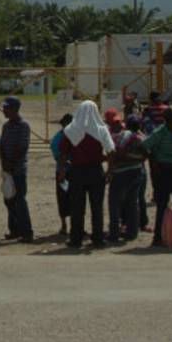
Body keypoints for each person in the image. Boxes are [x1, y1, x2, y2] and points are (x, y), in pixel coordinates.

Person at [59, 100, 114, 249]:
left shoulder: (71, 130)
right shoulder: (101, 129)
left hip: (77, 172)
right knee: (97, 207)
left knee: (77, 207)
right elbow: (111, 151)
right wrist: (109, 171)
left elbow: (63, 153)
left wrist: (63, 171)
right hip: (96, 171)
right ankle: (98, 239)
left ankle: (75, 239)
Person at [142, 107, 172, 246]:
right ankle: (158, 237)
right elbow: (144, 145)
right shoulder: (160, 132)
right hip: (164, 170)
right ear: (169, 122)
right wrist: (154, 160)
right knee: (162, 204)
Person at [0, 96, 33, 244]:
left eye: (7, 108)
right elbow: (1, 145)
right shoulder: (6, 126)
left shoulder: (23, 125)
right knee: (8, 200)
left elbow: (22, 147)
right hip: (7, 170)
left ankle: (27, 232)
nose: (4, 110)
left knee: (19, 200)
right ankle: (14, 230)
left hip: (18, 170)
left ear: (15, 109)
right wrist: (4, 161)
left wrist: (11, 163)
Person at [107, 113, 146, 243]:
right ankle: (132, 232)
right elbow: (147, 154)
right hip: (137, 172)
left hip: (121, 173)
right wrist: (137, 159)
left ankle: (114, 234)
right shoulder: (142, 137)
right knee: (132, 203)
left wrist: (115, 163)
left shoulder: (126, 135)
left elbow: (119, 152)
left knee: (115, 204)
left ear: (127, 125)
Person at [50, 113, 73, 235]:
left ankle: (72, 225)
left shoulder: (74, 136)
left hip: (71, 171)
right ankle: (64, 224)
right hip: (65, 171)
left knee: (73, 198)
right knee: (63, 198)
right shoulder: (59, 138)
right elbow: (56, 154)